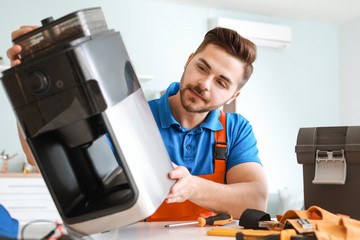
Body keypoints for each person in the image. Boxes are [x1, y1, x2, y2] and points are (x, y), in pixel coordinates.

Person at [7, 26, 268, 221]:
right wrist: (28, 88)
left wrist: (193, 187)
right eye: (202, 68)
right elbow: (34, 156)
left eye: (221, 82)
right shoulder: (132, 115)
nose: (204, 84)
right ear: (189, 61)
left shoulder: (236, 129)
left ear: (233, 96)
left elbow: (255, 202)